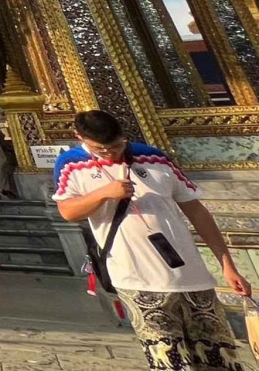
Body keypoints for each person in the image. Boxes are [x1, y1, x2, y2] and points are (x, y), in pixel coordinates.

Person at [54, 110, 251, 371]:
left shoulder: (154, 157)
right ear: (80, 138)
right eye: (101, 150)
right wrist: (104, 194)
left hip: (190, 273)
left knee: (219, 355)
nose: (111, 153)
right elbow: (68, 211)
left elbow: (196, 211)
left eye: (116, 146)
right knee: (169, 359)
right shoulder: (71, 164)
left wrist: (227, 264)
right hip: (136, 277)